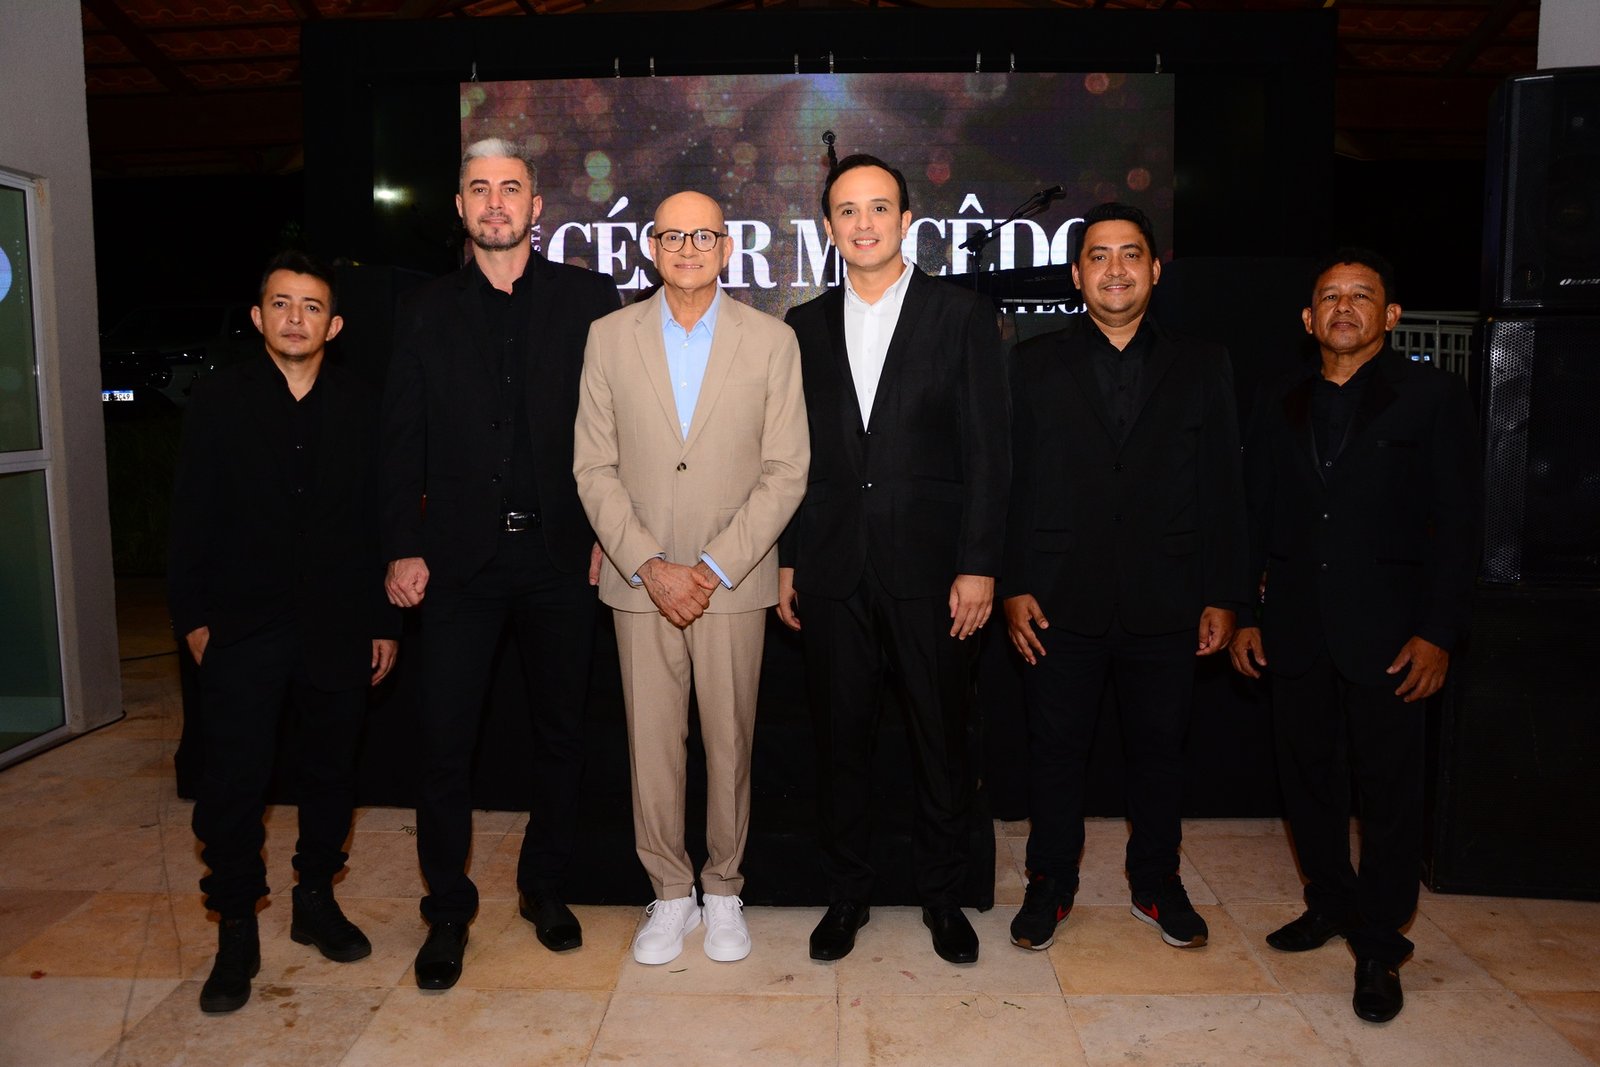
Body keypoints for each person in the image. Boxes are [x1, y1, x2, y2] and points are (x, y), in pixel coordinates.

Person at [380, 137, 620, 990]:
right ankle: (447, 908)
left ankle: (543, 885)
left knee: (562, 735)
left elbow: (618, 426)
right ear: (459, 207)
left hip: (564, 556)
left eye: (509, 188)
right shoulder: (423, 308)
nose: (494, 202)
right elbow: (399, 436)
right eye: (478, 189)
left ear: (536, 205)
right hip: (457, 564)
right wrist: (400, 544)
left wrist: (612, 532)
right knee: (445, 743)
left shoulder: (590, 298)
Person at [1230, 248, 1476, 1023]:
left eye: (1361, 296)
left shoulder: (1432, 397)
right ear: (1309, 319)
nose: (1344, 307)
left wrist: (1438, 631)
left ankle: (1380, 943)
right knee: (1307, 781)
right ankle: (1330, 901)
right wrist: (1243, 612)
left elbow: (1459, 526)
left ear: (1390, 315)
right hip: (1295, 628)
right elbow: (1253, 514)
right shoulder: (1278, 397)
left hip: (1393, 635)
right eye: (1330, 297)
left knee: (1390, 794)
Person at [778, 154, 1009, 965]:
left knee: (941, 743)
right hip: (832, 569)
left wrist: (979, 563)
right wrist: (789, 561)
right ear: (829, 228)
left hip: (935, 573)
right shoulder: (802, 324)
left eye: (879, 208)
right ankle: (848, 893)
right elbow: (792, 457)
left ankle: (942, 895)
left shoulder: (961, 314)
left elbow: (990, 452)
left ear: (908, 221)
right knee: (840, 743)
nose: (864, 223)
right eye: (847, 211)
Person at [1002, 202, 1249, 955]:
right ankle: (1050, 882)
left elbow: (1223, 486)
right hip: (1056, 597)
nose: (1116, 269)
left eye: (1131, 254)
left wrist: (1224, 593)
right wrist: (1013, 582)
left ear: (1155, 269)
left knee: (1160, 752)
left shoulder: (1203, 362)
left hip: (1168, 597)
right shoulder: (1031, 363)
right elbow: (1010, 483)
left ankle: (1156, 881)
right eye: (1099, 256)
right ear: (1077, 275)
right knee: (1054, 752)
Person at [574, 190, 808, 966]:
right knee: (651, 744)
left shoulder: (772, 341)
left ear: (727, 248)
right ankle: (670, 892)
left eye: (702, 235)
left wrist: (709, 568)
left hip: (732, 581)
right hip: (638, 582)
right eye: (671, 235)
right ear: (650, 247)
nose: (686, 248)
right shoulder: (608, 337)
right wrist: (649, 563)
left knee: (731, 741)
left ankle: (724, 887)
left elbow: (787, 469)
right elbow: (593, 466)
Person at [169, 250, 398, 1014]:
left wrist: (382, 620)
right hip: (241, 626)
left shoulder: (363, 404)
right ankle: (236, 926)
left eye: (311, 306)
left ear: (334, 324)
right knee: (233, 785)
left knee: (331, 774)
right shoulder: (218, 400)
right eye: (281, 303)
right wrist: (194, 620)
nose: (295, 318)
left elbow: (378, 520)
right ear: (258, 315)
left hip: (339, 624)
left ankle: (314, 899)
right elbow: (189, 517)